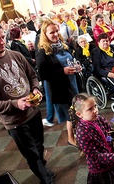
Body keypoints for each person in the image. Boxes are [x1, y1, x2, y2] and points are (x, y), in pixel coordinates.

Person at [0, 23, 55, 184]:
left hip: (33, 112)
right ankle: (44, 178)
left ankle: (43, 168)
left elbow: (32, 76)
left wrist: (35, 89)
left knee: (39, 145)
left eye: (2, 37)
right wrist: (15, 104)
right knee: (31, 153)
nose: (1, 41)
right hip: (16, 121)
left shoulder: (15, 55)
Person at [68, 93, 114, 184]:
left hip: (111, 162)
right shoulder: (82, 133)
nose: (95, 110)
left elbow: (111, 133)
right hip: (101, 170)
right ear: (79, 114)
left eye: (95, 106)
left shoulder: (99, 119)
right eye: (90, 109)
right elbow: (95, 157)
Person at [36, 18, 77, 146]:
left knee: (75, 111)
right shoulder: (42, 51)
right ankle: (71, 138)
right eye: (51, 32)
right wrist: (62, 71)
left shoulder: (62, 45)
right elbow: (43, 74)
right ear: (45, 34)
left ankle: (76, 136)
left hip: (72, 83)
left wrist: (77, 65)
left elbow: (70, 59)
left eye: (56, 31)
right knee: (71, 114)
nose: (55, 34)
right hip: (60, 88)